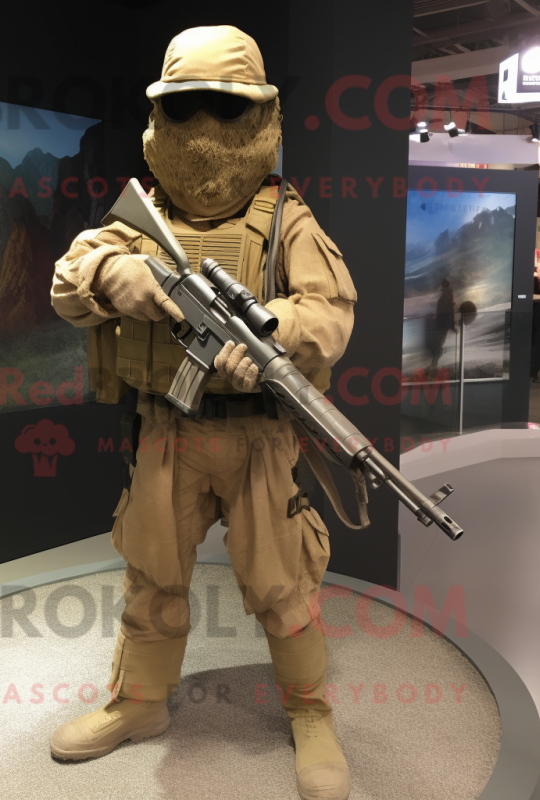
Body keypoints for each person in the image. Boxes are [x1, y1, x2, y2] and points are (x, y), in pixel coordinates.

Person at [49, 26, 356, 800]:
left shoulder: (284, 218)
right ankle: (139, 703)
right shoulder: (141, 214)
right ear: (160, 118)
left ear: (262, 116)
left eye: (226, 106)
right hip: (166, 430)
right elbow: (67, 282)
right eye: (185, 108)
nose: (205, 126)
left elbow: (331, 315)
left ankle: (310, 711)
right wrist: (112, 273)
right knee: (152, 576)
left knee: (282, 584)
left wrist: (272, 332)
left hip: (258, 438)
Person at [429, 277, 457, 370]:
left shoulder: (447, 295)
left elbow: (449, 311)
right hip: (443, 323)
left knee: (439, 344)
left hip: (442, 324)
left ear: (443, 286)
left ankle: (434, 364)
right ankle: (434, 363)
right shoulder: (448, 294)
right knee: (439, 343)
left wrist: (452, 326)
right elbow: (449, 311)